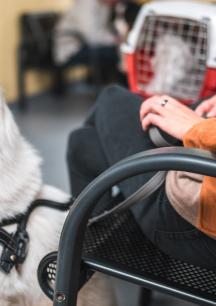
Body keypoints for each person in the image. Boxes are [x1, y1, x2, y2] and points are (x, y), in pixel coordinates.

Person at [67, 85, 216, 270]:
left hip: (195, 216)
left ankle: (83, 246)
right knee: (82, 142)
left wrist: (201, 129)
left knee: (110, 97)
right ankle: (92, 241)